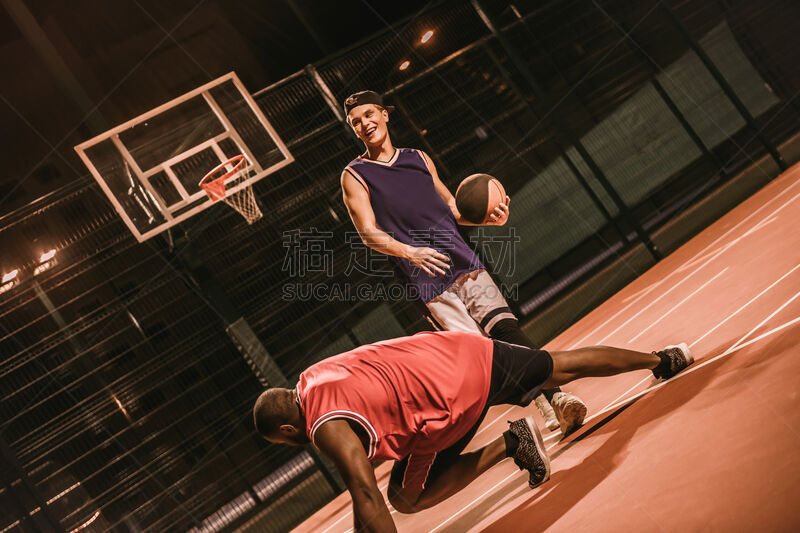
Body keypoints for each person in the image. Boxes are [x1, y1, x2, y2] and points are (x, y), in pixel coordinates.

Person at [253, 331, 693, 532]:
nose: (297, 443)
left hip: (447, 404)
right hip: (459, 351)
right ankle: (663, 359)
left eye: (287, 440)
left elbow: (364, 491)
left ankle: (510, 444)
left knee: (403, 498)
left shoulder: (323, 426)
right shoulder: (312, 379)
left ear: (290, 427)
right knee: (560, 363)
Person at [339, 90, 586, 434]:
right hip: (425, 279)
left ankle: (557, 399)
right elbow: (367, 232)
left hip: (462, 260)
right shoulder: (355, 175)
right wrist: (411, 252)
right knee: (485, 356)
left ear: (384, 114)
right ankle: (541, 404)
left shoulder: (418, 158)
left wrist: (487, 219)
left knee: (506, 329)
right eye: (355, 122)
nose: (364, 124)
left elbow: (453, 209)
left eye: (369, 114)